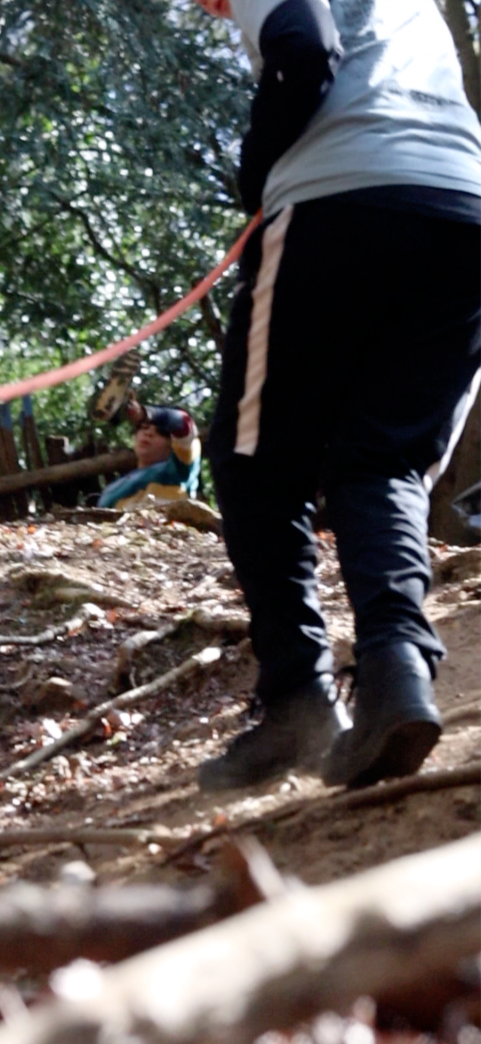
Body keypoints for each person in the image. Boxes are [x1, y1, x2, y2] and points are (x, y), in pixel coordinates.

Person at [191, 0, 481, 791]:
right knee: (382, 458)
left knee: (254, 460)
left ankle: (298, 703)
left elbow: (303, 43)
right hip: (464, 209)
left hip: (338, 199)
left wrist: (258, 175)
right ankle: (396, 678)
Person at [98, 394, 201, 509]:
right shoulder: (111, 490)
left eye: (161, 432)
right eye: (144, 427)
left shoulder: (181, 469)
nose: (149, 433)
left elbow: (184, 422)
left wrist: (145, 413)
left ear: (173, 442)